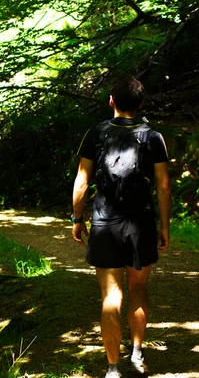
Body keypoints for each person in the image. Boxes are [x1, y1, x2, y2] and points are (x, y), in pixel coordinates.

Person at [71, 76, 171, 378]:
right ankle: (137, 353)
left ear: (111, 100)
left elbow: (82, 182)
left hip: (105, 221)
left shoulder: (96, 133)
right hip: (140, 221)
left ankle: (113, 368)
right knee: (138, 288)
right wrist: (164, 226)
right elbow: (163, 186)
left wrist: (78, 218)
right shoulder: (154, 137)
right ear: (141, 104)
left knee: (110, 297)